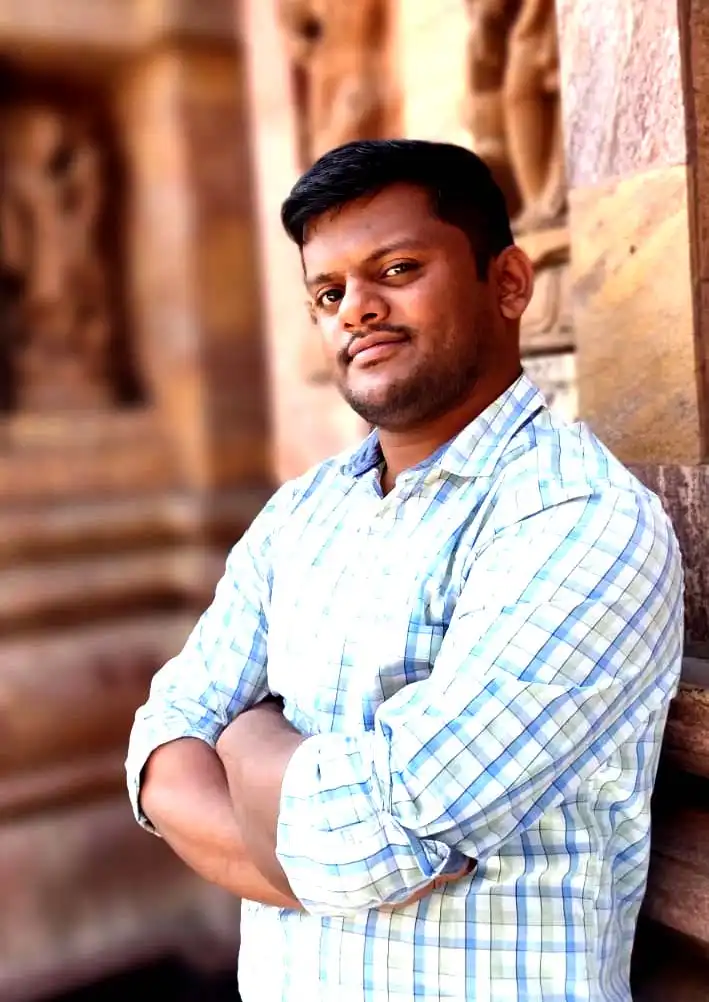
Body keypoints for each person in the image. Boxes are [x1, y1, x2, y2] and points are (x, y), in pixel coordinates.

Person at [126, 139, 684, 1002]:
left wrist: (243, 738)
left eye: (396, 267)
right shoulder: (301, 514)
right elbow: (161, 747)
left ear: (506, 283)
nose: (356, 309)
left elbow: (382, 837)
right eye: (329, 291)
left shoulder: (578, 518)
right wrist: (323, 846)